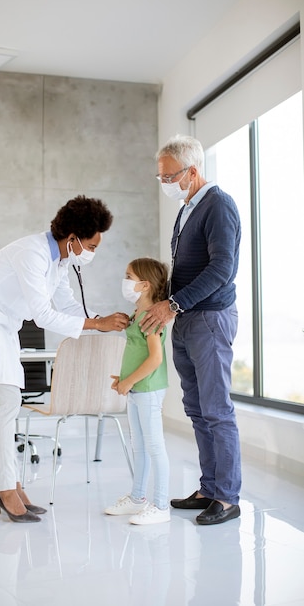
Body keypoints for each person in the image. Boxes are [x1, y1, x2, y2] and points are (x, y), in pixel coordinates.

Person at [0, 195, 129, 523]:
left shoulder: (59, 260)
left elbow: (68, 305)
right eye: (91, 245)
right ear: (72, 238)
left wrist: (100, 322)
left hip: (2, 328)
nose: (93, 252)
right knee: (6, 401)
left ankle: (10, 484)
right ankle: (4, 489)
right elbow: (43, 315)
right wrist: (93, 324)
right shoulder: (31, 253)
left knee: (5, 404)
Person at [140, 134, 242, 525]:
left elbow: (222, 269)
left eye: (169, 177)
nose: (164, 183)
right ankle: (209, 487)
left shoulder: (219, 205)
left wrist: (175, 304)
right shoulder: (188, 209)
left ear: (192, 171)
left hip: (210, 320)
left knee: (217, 410)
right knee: (197, 409)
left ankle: (227, 497)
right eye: (160, 177)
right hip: (184, 320)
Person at [104, 257, 170, 525]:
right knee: (139, 446)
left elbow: (156, 358)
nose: (125, 281)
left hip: (148, 390)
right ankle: (137, 498)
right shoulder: (137, 315)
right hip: (137, 389)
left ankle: (161, 505)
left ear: (144, 285)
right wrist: (125, 378)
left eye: (128, 276)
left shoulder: (149, 316)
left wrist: (129, 382)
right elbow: (138, 353)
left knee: (154, 446)